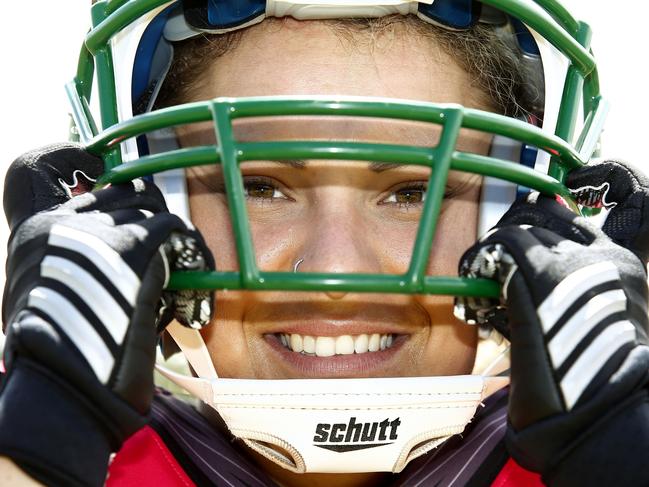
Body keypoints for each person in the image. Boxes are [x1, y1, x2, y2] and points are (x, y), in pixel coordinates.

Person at [1, 0, 649, 486]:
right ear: (145, 204)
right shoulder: (37, 421)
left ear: (519, 208)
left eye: (411, 192)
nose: (335, 269)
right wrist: (48, 428)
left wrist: (618, 447)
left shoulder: (606, 435)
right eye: (256, 184)